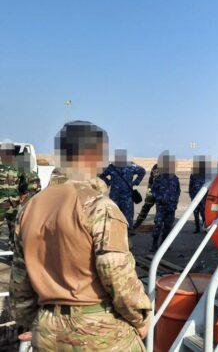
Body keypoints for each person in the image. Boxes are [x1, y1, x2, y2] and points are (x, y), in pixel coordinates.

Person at [10, 121, 151, 351]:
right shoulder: (99, 206)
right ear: (92, 155)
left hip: (47, 332)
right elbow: (116, 274)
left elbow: (20, 283)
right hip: (97, 330)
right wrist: (141, 318)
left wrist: (34, 323)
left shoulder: (29, 209)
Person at [100, 149, 146, 229]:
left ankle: (128, 232)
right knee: (114, 215)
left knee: (128, 215)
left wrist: (136, 182)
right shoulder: (111, 167)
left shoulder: (131, 166)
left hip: (127, 196)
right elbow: (101, 174)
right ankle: (115, 232)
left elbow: (142, 171)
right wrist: (108, 182)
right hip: (115, 196)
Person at [150, 151, 180, 252]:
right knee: (157, 226)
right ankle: (154, 244)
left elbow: (178, 191)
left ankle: (164, 245)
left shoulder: (175, 179)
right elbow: (153, 191)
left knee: (168, 227)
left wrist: (175, 203)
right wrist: (159, 198)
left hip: (171, 208)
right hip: (161, 208)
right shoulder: (158, 178)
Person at [133, 163, 159, 230]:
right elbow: (151, 180)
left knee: (160, 210)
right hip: (152, 192)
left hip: (161, 194)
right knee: (145, 208)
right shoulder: (156, 166)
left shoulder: (169, 169)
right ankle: (137, 224)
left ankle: (158, 227)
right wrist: (148, 191)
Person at [188, 156, 208, 234]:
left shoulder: (206, 175)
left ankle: (205, 228)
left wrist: (206, 198)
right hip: (195, 198)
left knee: (204, 214)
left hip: (203, 198)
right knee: (196, 214)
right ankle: (197, 228)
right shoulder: (193, 175)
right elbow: (190, 186)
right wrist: (192, 196)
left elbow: (209, 187)